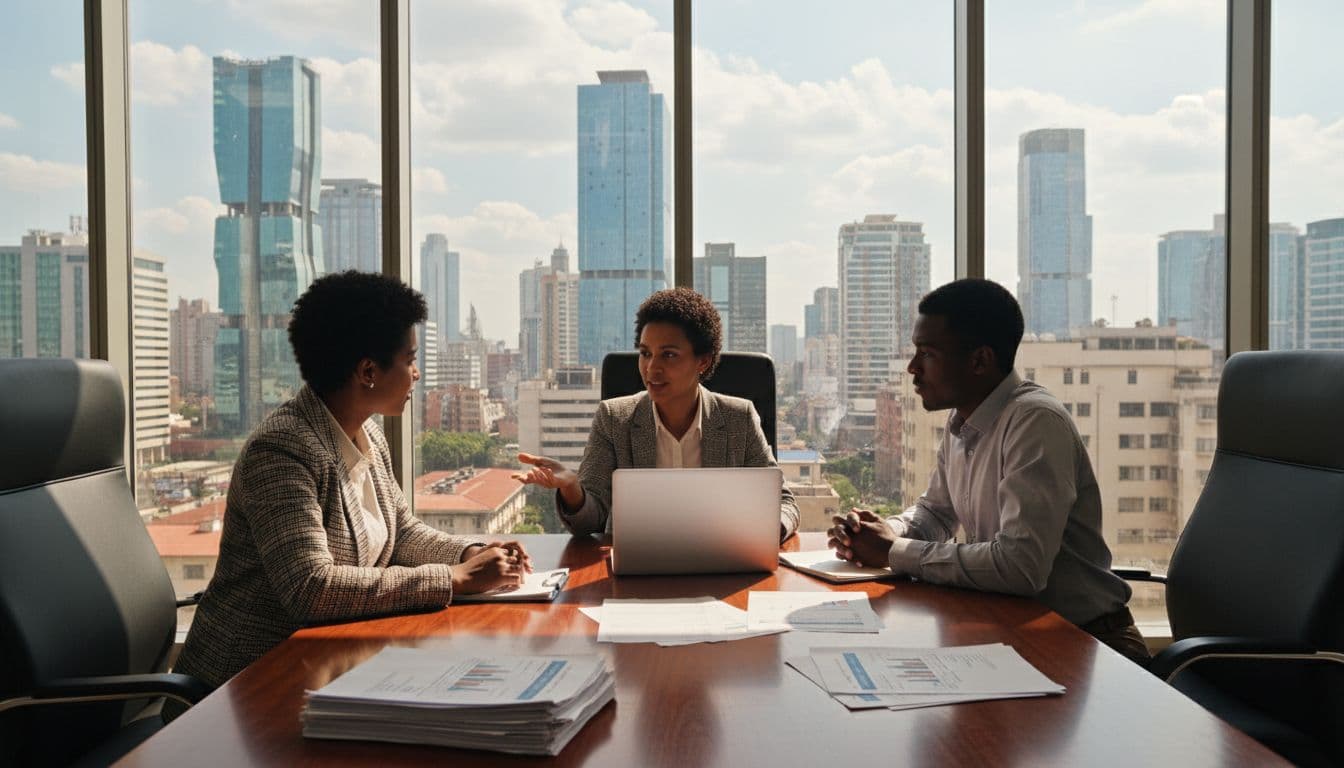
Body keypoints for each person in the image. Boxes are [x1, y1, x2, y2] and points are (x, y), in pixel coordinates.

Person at [174, 271, 533, 690]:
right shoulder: (282, 450)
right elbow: (311, 586)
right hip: (248, 685)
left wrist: (472, 551)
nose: (416, 375)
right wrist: (456, 578)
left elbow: (402, 534)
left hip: (329, 665)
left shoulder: (366, 433)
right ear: (367, 371)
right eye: (410, 360)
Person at [827, 279, 1149, 665]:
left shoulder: (1034, 423)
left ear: (979, 361)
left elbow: (1019, 567)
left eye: (926, 353)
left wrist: (894, 551)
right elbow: (935, 513)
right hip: (1014, 628)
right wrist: (885, 531)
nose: (912, 368)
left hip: (1088, 641)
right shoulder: (962, 419)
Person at [514, 287, 799, 541]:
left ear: (703, 361)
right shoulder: (614, 418)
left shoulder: (739, 418)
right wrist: (572, 488)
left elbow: (784, 503)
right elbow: (590, 522)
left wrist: (771, 530)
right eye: (646, 353)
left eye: (669, 355)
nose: (651, 369)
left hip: (723, 568)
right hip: (637, 573)